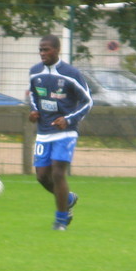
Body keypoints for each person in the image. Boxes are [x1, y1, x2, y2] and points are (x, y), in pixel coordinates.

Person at [28, 34, 92, 230]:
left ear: (57, 50)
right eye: (40, 49)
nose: (42, 53)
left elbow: (88, 101)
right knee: (41, 177)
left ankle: (61, 220)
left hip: (65, 132)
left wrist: (69, 119)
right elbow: (33, 94)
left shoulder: (71, 73)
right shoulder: (35, 72)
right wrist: (33, 110)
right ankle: (68, 198)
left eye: (46, 49)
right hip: (43, 132)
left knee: (57, 173)